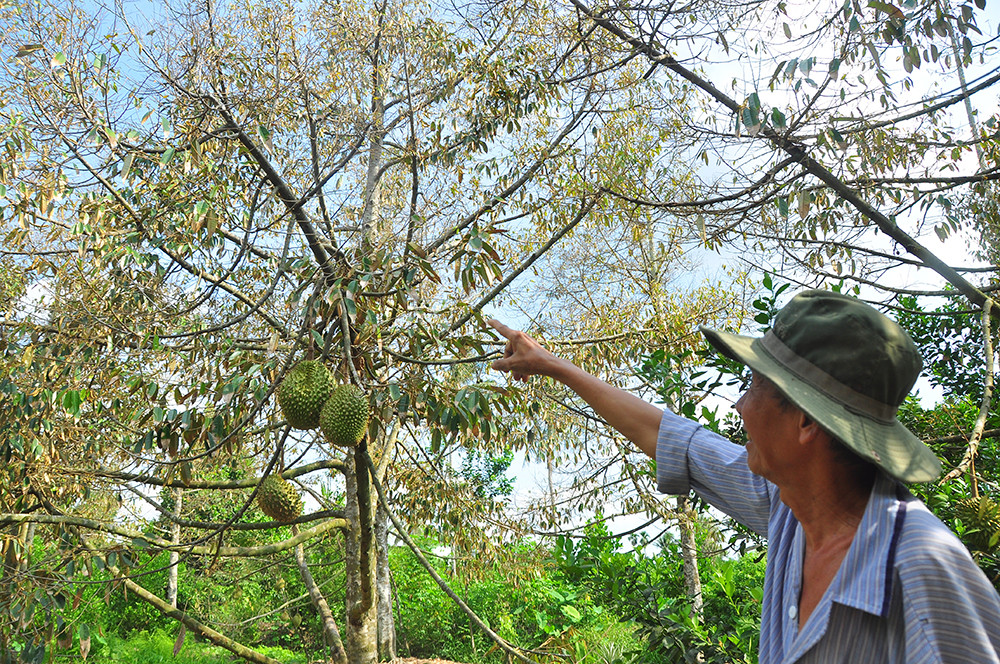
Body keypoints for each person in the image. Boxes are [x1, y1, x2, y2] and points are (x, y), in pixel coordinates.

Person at [488, 289, 1000, 663]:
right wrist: (552, 365)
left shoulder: (921, 572)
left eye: (752, 386)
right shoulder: (790, 510)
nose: (737, 405)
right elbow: (676, 438)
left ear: (804, 421)